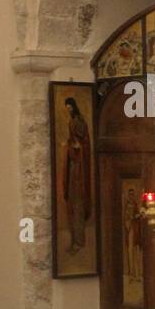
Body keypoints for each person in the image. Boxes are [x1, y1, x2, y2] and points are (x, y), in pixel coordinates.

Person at [62, 97, 92, 254]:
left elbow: (82, 142)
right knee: (72, 205)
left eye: (70, 108)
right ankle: (74, 240)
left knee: (78, 204)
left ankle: (79, 241)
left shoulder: (79, 121)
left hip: (79, 167)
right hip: (73, 166)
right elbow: (73, 140)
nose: (69, 110)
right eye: (67, 108)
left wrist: (76, 146)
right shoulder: (72, 121)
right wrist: (68, 144)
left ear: (74, 107)